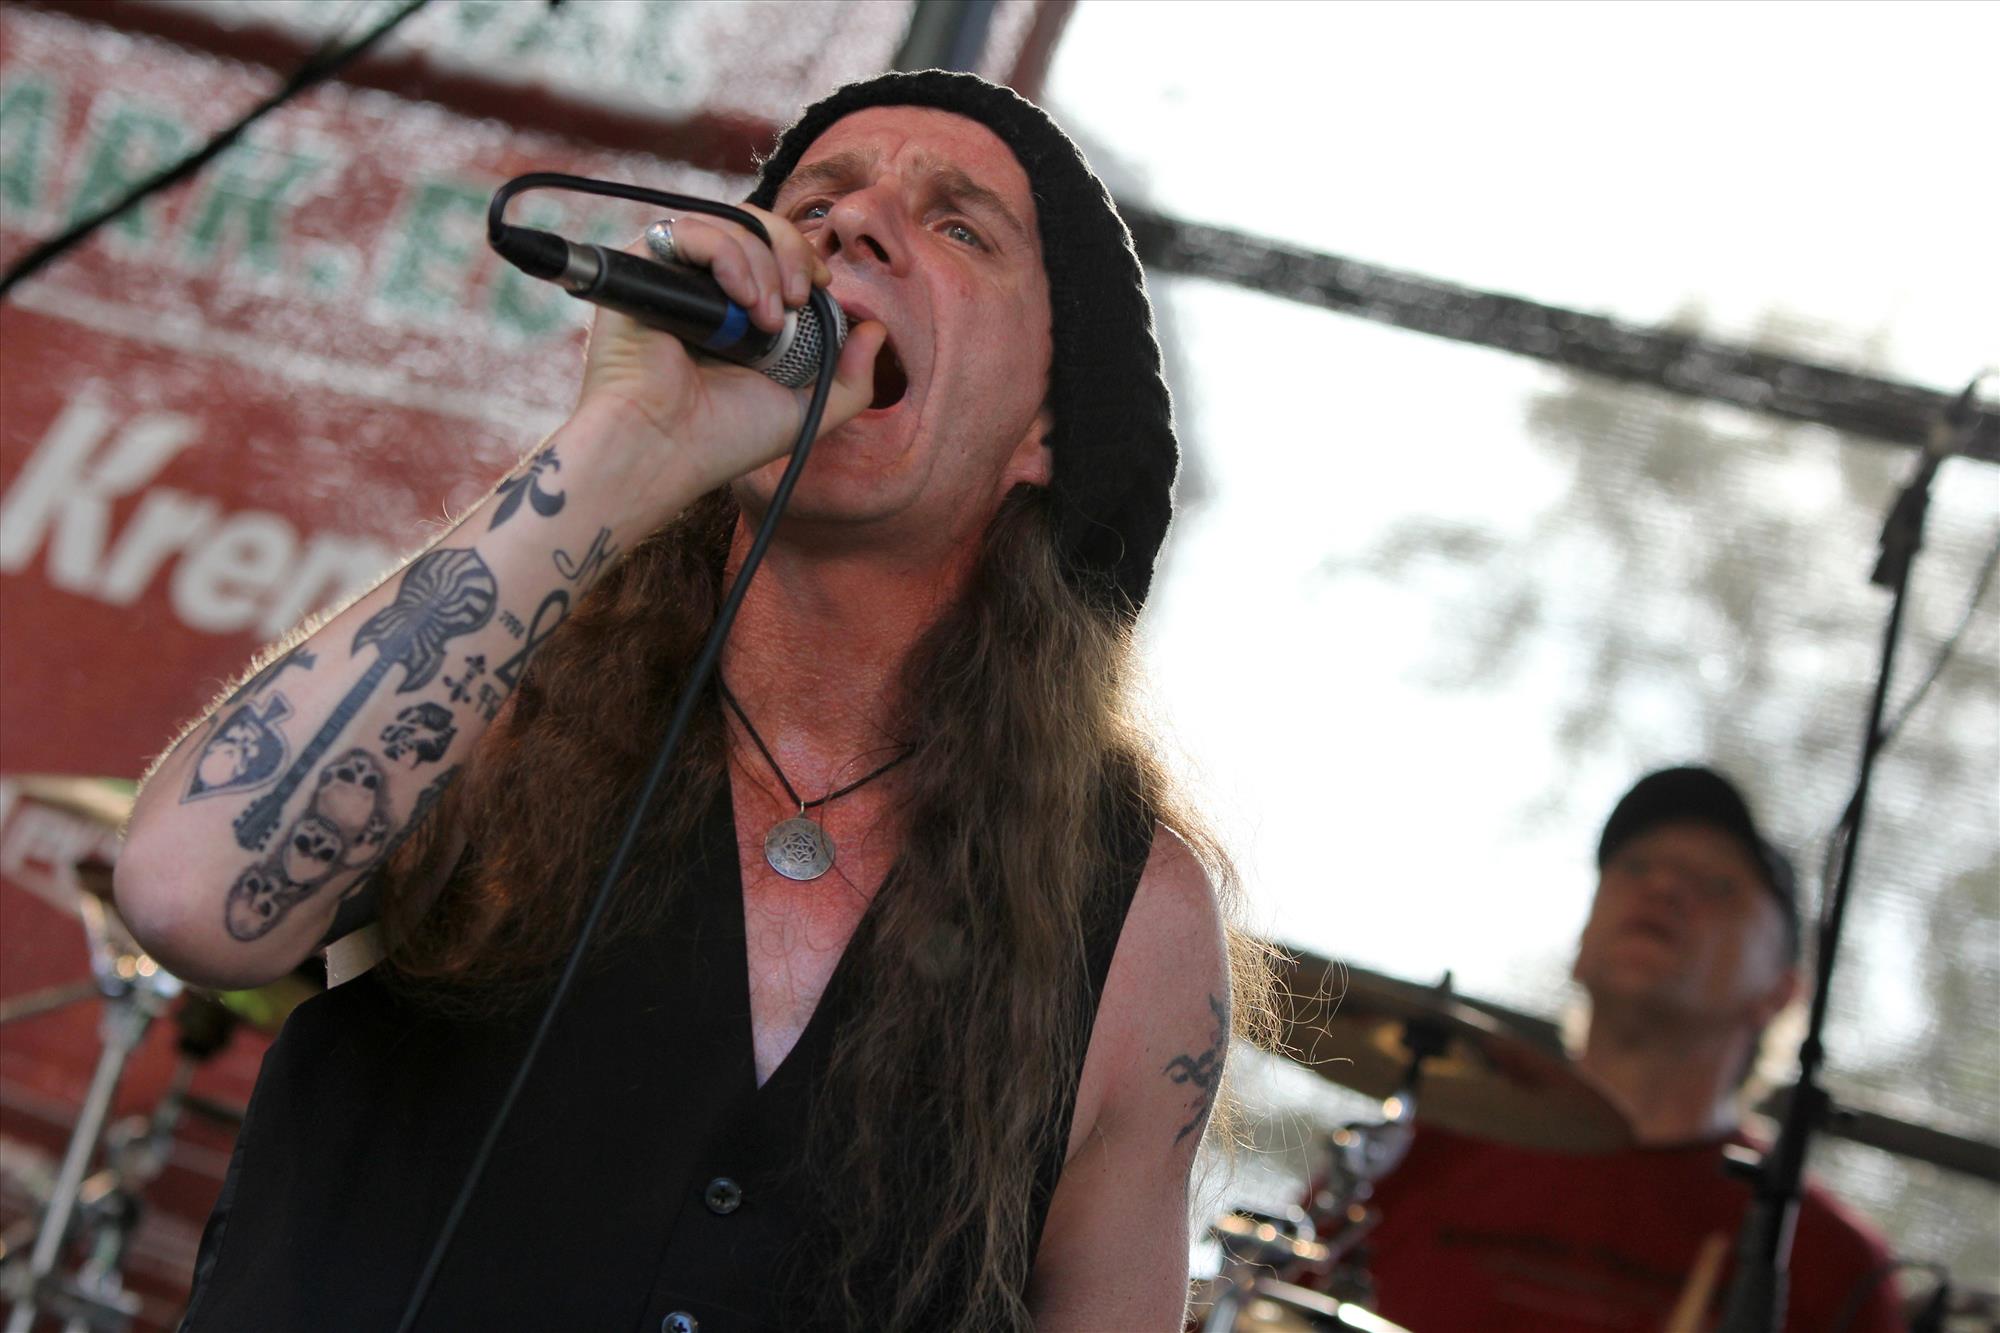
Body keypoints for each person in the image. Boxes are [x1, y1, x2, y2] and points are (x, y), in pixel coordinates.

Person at [116, 71, 1260, 1332]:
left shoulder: (1132, 917)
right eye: (815, 203)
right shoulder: (491, 687)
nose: (852, 223)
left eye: (957, 225)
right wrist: (632, 441)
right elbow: (186, 898)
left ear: (1045, 430)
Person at [1348, 766, 1905, 1332]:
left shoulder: (1830, 1265)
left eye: (1717, 885)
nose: (1663, 887)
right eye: (1635, 866)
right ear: (1581, 944)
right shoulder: (1413, 1158)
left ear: (1781, 992)